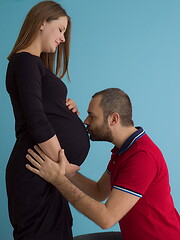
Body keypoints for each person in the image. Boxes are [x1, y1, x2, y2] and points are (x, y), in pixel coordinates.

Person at [26, 88, 180, 240]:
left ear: (113, 119)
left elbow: (106, 219)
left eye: (92, 116)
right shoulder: (123, 150)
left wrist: (58, 181)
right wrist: (67, 172)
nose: (86, 121)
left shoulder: (141, 157)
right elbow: (99, 191)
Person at [6, 1, 90, 240]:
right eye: (61, 29)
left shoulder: (35, 65)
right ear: (43, 22)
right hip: (36, 169)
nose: (63, 38)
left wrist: (65, 107)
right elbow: (36, 120)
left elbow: (42, 109)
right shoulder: (23, 61)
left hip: (47, 172)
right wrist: (63, 168)